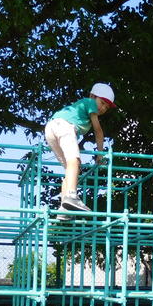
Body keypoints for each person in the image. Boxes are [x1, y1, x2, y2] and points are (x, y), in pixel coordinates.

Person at [44, 83, 116, 214]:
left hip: (51, 129)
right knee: (75, 161)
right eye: (102, 102)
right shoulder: (90, 102)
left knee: (70, 169)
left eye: (107, 107)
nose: (103, 108)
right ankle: (71, 196)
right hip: (64, 126)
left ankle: (64, 208)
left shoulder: (85, 109)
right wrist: (100, 154)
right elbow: (98, 131)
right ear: (92, 96)